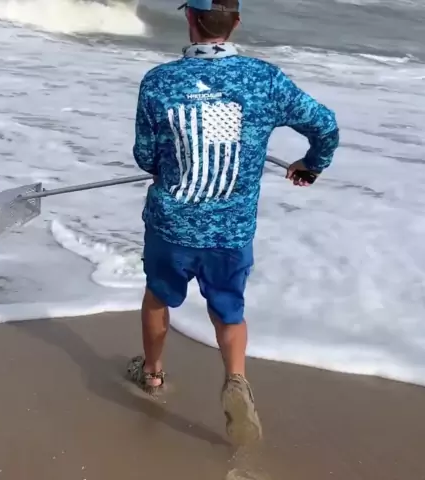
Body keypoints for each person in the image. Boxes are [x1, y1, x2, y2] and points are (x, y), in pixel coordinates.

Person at [126, 0, 340, 448]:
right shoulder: (264, 79)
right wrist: (311, 164)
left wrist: (174, 161)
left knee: (158, 297)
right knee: (228, 310)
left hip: (172, 226)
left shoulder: (159, 82)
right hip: (232, 231)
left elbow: (146, 157)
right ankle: (236, 381)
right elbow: (325, 125)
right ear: (236, 22)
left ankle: (153, 373)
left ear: (190, 18)